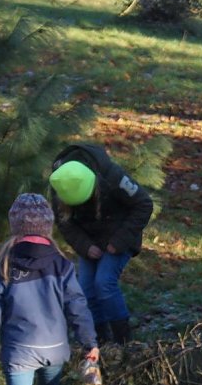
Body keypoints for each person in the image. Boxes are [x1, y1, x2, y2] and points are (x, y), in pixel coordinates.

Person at [0, 193, 99, 385]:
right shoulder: (61, 264)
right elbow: (77, 305)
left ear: (15, 226)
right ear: (47, 226)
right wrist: (89, 341)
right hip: (55, 348)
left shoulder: (4, 265)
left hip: (19, 349)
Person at [48, 143, 154, 345]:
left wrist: (119, 242)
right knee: (86, 289)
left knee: (104, 283)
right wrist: (85, 246)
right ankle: (100, 340)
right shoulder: (60, 183)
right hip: (89, 241)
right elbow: (64, 223)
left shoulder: (113, 177)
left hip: (119, 236)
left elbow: (144, 204)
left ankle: (123, 340)